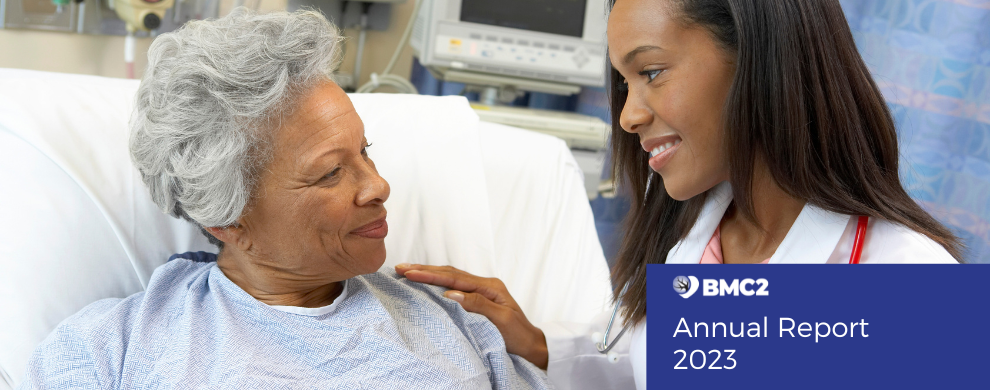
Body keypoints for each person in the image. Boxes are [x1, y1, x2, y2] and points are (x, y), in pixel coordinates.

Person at [398, 0, 961, 389]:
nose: (627, 116)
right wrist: (537, 345)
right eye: (624, 83)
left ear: (760, 57)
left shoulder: (910, 279)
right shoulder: (697, 236)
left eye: (652, 72)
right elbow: (660, 368)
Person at [17, 9, 550, 389]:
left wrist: (538, 357)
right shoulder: (109, 351)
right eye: (330, 173)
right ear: (228, 219)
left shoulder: (453, 322)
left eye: (365, 152)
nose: (378, 186)